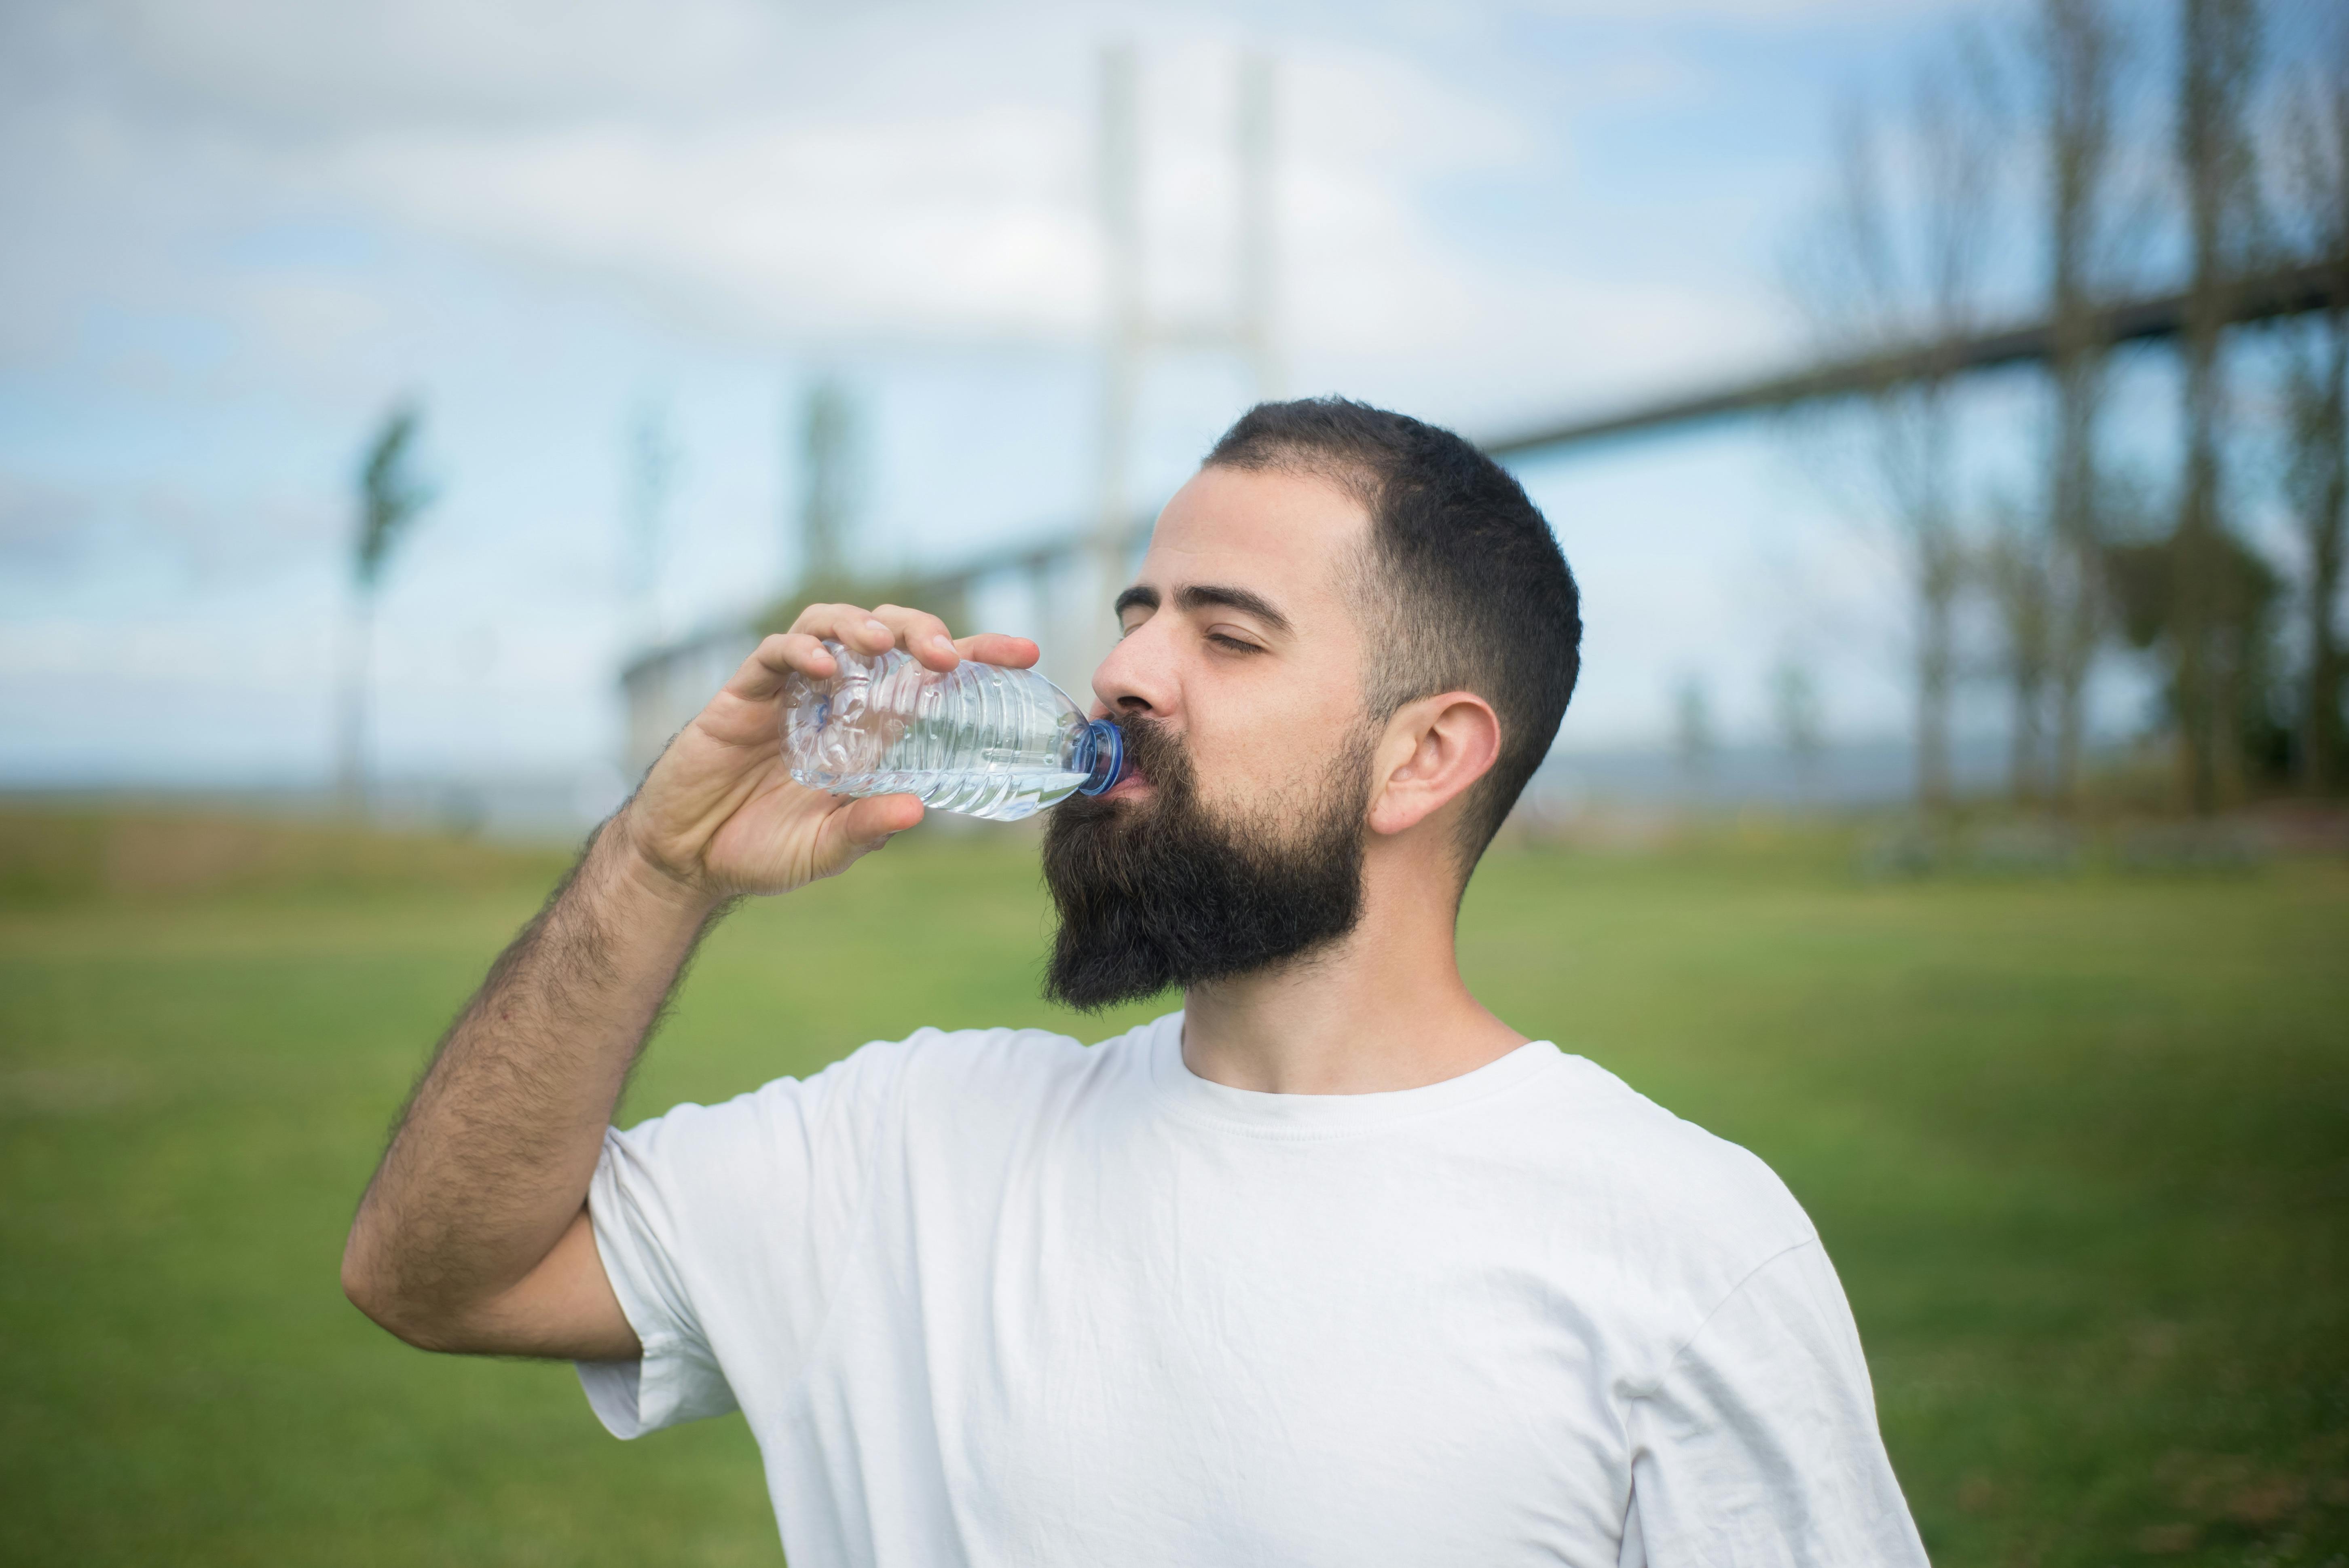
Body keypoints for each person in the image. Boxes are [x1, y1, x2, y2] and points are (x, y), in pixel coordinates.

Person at [342, 398, 1928, 1567]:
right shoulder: (910, 1144)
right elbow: (435, 1274)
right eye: (1135, 615)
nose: (1121, 673)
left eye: (1225, 636)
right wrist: (656, 863)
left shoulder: (1682, 1245)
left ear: (1425, 754)